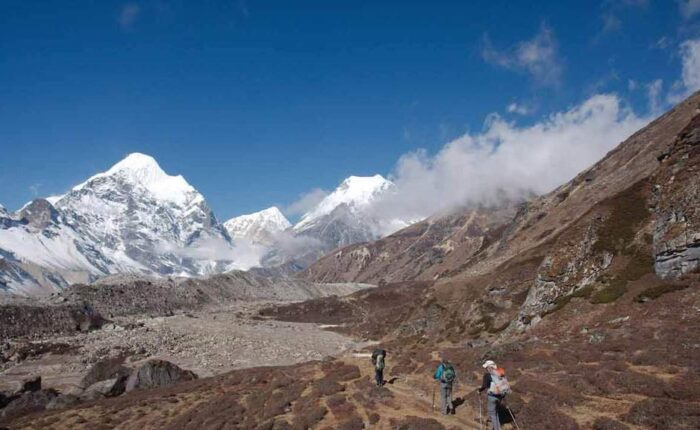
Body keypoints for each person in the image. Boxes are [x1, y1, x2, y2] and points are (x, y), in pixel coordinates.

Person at [477, 359, 509, 430]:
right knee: (496, 411)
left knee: (493, 414)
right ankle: (498, 427)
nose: (486, 369)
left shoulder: (487, 375)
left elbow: (484, 386)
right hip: (500, 396)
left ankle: (496, 428)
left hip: (492, 397)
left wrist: (479, 390)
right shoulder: (500, 373)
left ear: (489, 367)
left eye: (486, 367)